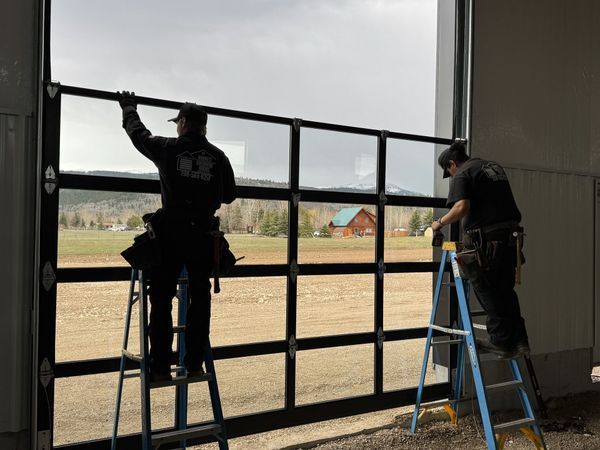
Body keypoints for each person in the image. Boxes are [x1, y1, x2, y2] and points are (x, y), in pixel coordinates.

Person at [118, 91, 236, 380]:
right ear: (203, 126)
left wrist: (128, 107)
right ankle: (194, 363)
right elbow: (230, 195)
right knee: (200, 298)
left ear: (183, 122)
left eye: (177, 122)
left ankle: (160, 368)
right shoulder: (218, 157)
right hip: (202, 236)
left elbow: (138, 135)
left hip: (170, 235)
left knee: (160, 300)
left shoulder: (168, 148)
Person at [431, 140, 529, 359]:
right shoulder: (491, 167)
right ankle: (520, 341)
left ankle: (501, 343)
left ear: (452, 164)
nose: (451, 175)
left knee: (487, 289)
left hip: (489, 242)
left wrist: (439, 223)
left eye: (449, 171)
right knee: (505, 291)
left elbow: (461, 207)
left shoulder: (463, 173)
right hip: (510, 240)